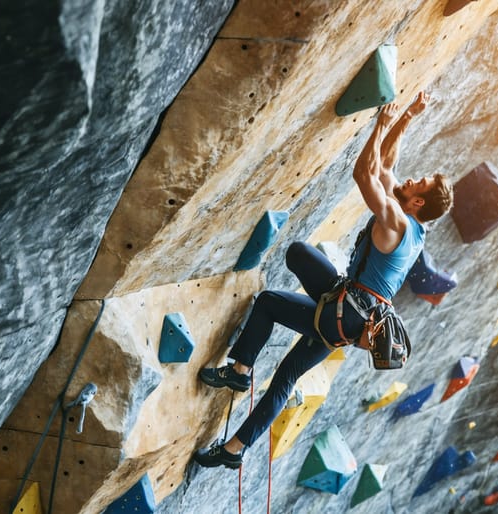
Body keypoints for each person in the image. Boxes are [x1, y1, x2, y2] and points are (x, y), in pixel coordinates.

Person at [193, 93, 454, 469]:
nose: (413, 178)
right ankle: (235, 436)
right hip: (350, 307)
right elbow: (387, 167)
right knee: (299, 253)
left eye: (421, 183)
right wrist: (408, 117)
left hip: (344, 316)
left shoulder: (396, 221)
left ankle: (238, 381)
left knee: (269, 306)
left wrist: (380, 126)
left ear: (417, 203)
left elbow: (366, 174)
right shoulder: (415, 228)